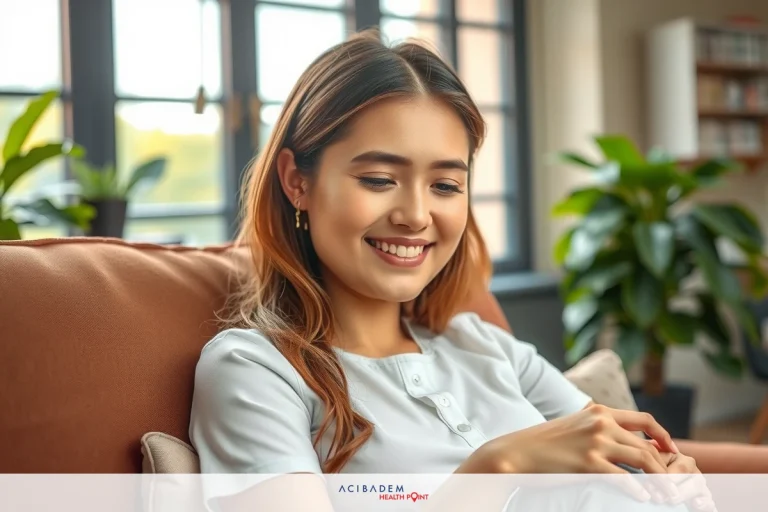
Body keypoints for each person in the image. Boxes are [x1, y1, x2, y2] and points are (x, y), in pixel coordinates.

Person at [187, 29, 714, 512]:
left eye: (445, 185)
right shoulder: (254, 372)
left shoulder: (484, 346)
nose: (417, 215)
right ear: (296, 181)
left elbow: (627, 456)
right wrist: (493, 467)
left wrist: (675, 479)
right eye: (377, 178)